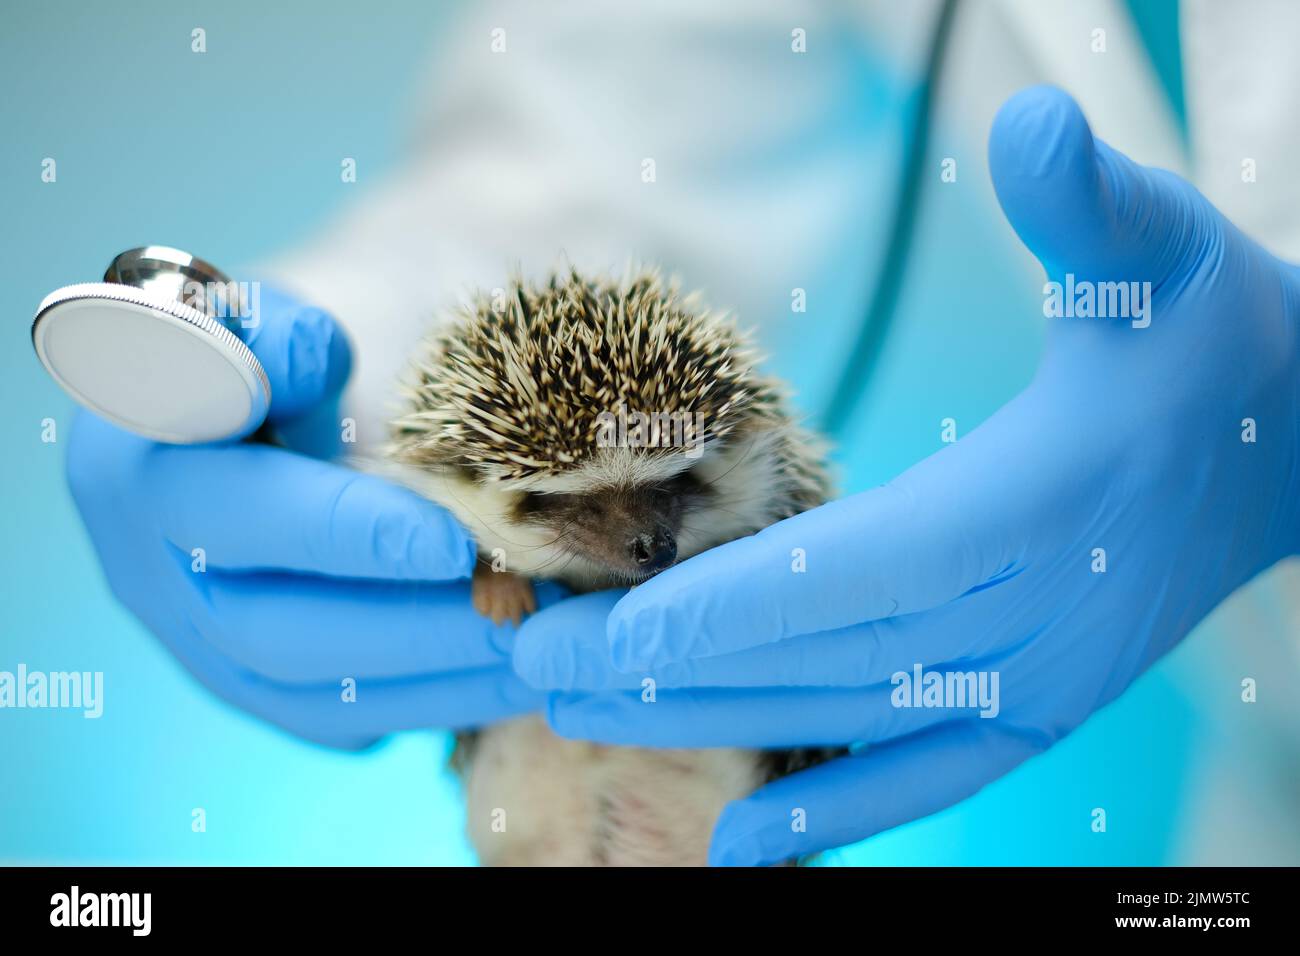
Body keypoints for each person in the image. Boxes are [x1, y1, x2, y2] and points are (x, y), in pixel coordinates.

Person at [67, 0, 1300, 865]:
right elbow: (597, 155)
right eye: (566, 508)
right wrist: (255, 376)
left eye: (670, 490)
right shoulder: (472, 479)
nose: (641, 541)